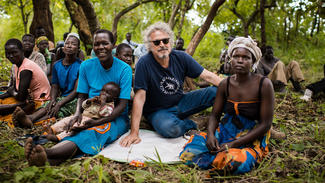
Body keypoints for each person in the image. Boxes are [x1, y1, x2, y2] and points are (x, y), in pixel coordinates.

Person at [24, 29, 132, 166]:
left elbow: (122, 105)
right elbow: (81, 96)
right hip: (89, 112)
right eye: (96, 44)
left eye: (105, 43)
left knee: (91, 131)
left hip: (114, 116)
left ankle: (47, 153)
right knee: (74, 129)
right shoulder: (86, 66)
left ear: (113, 44)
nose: (100, 47)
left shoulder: (124, 69)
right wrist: (77, 114)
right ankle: (46, 160)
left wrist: (95, 122)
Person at [179, 37, 273, 175]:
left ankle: (222, 159)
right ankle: (218, 158)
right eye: (236, 56)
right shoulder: (225, 84)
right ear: (230, 59)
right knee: (188, 153)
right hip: (225, 132)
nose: (240, 60)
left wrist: (234, 144)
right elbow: (215, 115)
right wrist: (211, 135)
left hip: (250, 137)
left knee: (234, 163)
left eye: (246, 57)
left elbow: (265, 124)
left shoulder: (263, 84)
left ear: (253, 61)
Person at [120, 22, 222, 147]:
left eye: (165, 41)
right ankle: (194, 124)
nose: (162, 44)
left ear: (170, 42)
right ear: (150, 46)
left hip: (181, 101)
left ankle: (230, 119)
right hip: (158, 111)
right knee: (170, 129)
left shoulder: (181, 57)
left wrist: (235, 88)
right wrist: (134, 132)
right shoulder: (143, 63)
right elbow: (139, 97)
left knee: (217, 91)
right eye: (157, 42)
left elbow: (208, 76)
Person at [12, 34, 82, 128]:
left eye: (73, 44)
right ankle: (30, 118)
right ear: (63, 48)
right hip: (61, 97)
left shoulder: (81, 65)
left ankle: (31, 122)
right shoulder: (57, 65)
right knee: (48, 106)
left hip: (75, 100)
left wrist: (59, 103)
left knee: (58, 110)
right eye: (67, 43)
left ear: (78, 49)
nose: (69, 46)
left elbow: (76, 91)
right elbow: (55, 86)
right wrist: (53, 100)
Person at [44, 82, 120, 142]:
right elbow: (83, 106)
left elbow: (104, 114)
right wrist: (89, 101)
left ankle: (59, 137)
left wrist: (103, 103)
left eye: (107, 93)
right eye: (102, 91)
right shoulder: (96, 99)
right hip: (82, 115)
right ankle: (52, 129)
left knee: (75, 128)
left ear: (114, 98)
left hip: (90, 120)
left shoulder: (110, 106)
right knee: (66, 120)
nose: (103, 94)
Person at [0, 39, 50, 127]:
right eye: (8, 53)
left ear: (22, 51)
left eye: (14, 52)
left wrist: (12, 92)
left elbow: (20, 96)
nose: (11, 56)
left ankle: (22, 113)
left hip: (38, 102)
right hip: (25, 99)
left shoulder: (26, 68)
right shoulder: (17, 65)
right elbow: (15, 89)